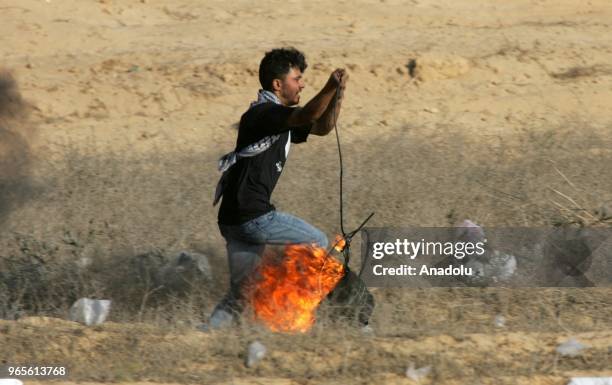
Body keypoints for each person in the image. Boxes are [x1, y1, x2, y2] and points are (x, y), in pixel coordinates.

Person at [208, 47, 348, 328]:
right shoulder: (263, 114)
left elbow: (321, 127)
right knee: (319, 242)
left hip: (233, 220)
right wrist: (328, 85)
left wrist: (338, 93)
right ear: (277, 84)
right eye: (297, 79)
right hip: (253, 216)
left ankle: (203, 335)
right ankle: (301, 302)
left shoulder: (278, 118)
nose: (302, 84)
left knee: (241, 294)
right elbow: (306, 115)